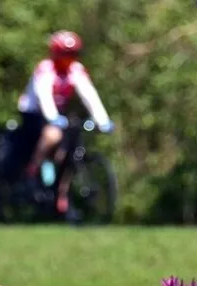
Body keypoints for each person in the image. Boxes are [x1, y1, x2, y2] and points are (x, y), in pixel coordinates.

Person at [17, 30, 114, 213]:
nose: (68, 58)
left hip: (58, 114)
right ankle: (32, 171)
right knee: (53, 136)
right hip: (34, 113)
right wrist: (52, 117)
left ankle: (62, 196)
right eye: (64, 54)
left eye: (72, 54)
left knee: (71, 148)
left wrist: (103, 120)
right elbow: (44, 95)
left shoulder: (76, 70)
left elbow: (90, 96)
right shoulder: (45, 69)